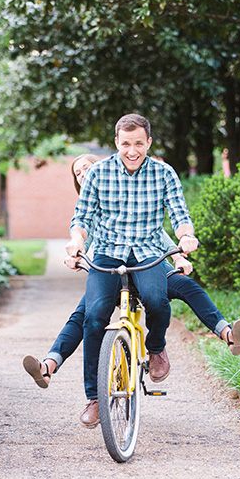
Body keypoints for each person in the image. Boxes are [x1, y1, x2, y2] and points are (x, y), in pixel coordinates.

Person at [23, 152, 240, 427]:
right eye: (77, 173)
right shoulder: (88, 211)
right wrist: (75, 256)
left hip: (149, 266)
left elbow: (156, 235)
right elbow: (81, 240)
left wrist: (178, 258)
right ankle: (49, 365)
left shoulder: (120, 193)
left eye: (86, 168)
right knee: (85, 316)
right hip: (109, 272)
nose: (82, 175)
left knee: (186, 288)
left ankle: (223, 332)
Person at [59, 114, 200, 427]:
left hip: (148, 253)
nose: (132, 150)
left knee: (156, 299)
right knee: (94, 317)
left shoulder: (163, 172)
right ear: (116, 143)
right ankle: (94, 399)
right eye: (125, 144)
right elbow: (81, 218)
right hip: (108, 254)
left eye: (139, 143)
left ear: (148, 142)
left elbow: (179, 213)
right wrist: (75, 242)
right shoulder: (99, 175)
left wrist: (186, 236)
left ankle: (157, 349)